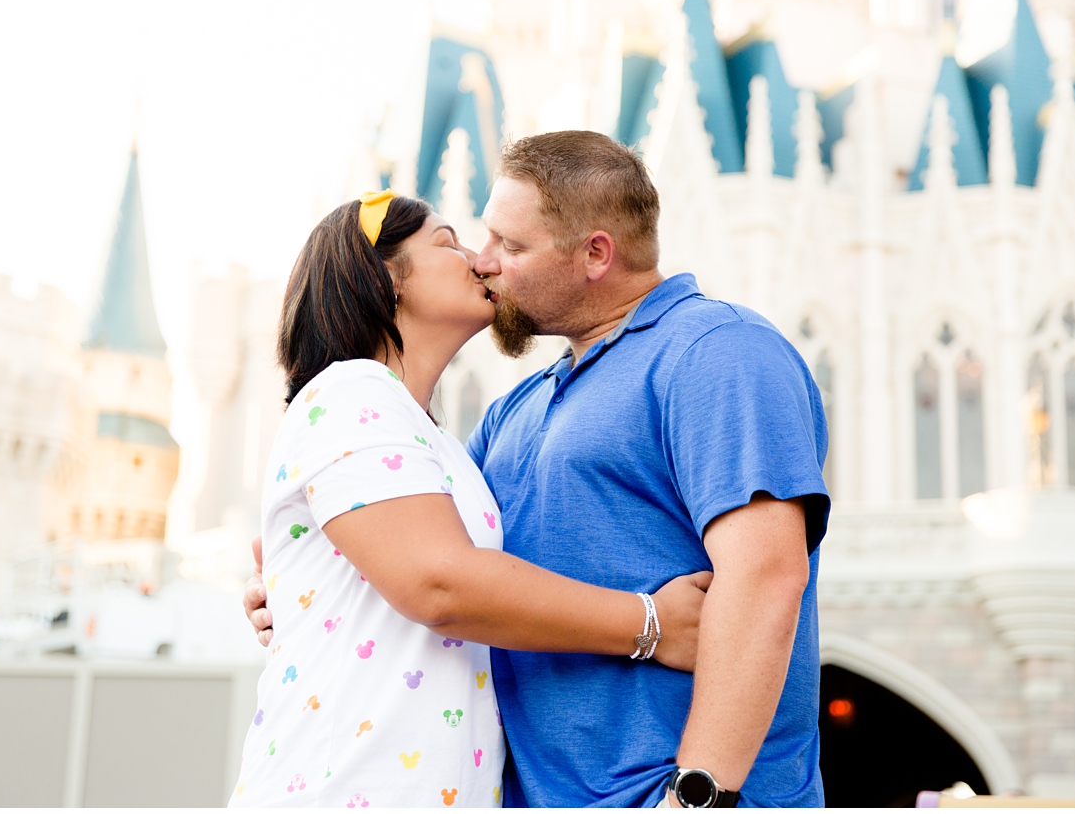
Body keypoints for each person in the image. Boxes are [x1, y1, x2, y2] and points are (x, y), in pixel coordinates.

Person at [248, 130, 830, 807]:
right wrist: (299, 578)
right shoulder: (508, 417)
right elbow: (438, 563)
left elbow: (765, 575)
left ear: (595, 253)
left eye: (511, 246)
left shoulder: (716, 352)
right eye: (473, 240)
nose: (484, 262)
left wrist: (696, 796)